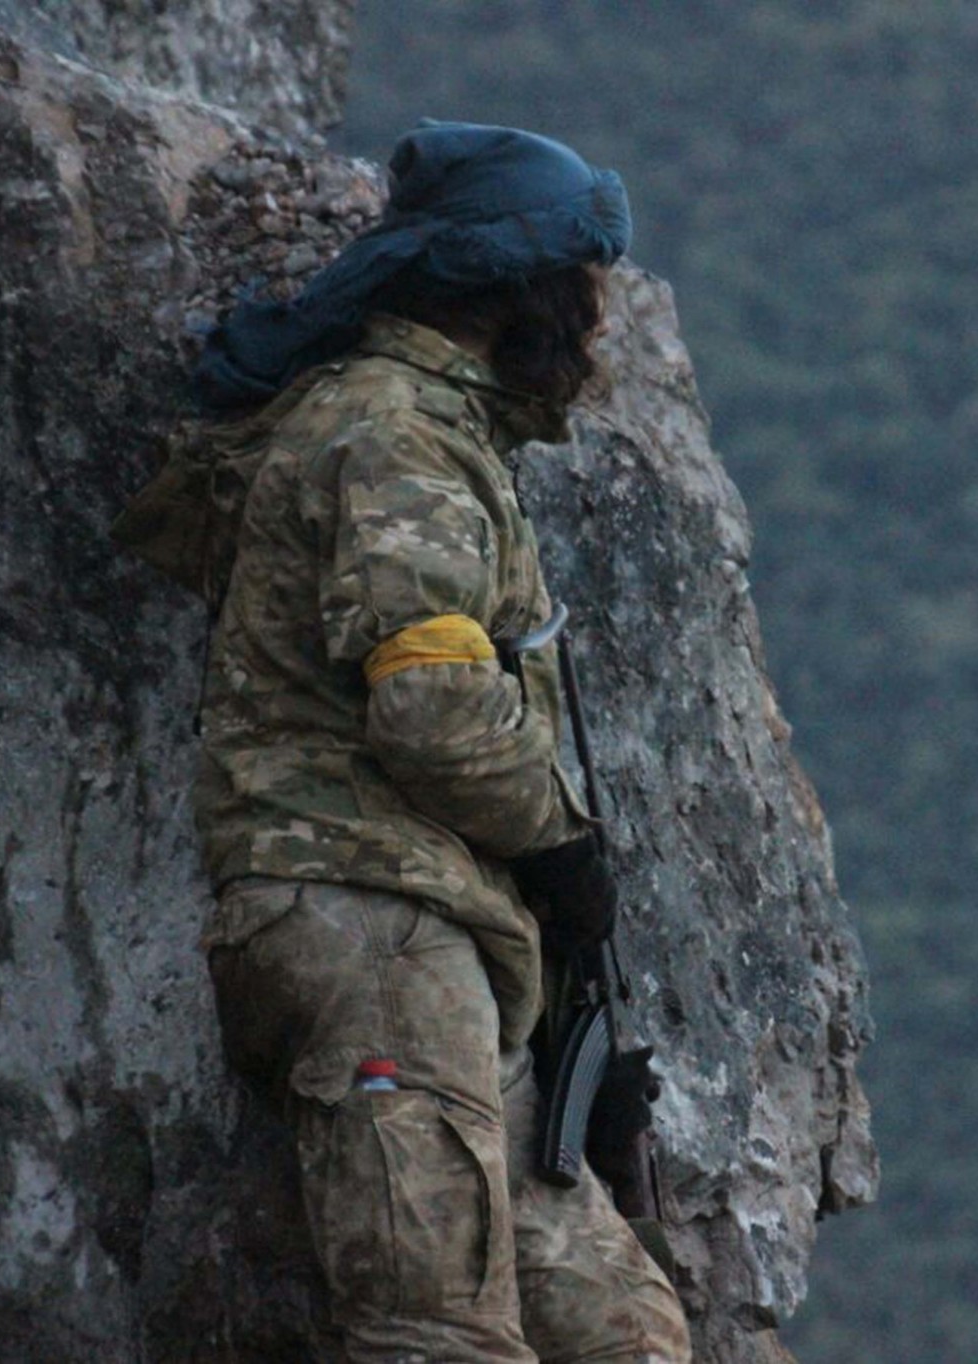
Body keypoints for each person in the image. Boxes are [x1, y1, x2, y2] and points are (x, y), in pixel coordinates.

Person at [185, 122, 692, 1363]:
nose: (595, 323)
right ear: (515, 290)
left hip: (439, 942)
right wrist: (562, 845)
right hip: (368, 918)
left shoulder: (441, 435)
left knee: (627, 1334)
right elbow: (432, 708)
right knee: (439, 1336)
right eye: (581, 287)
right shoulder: (395, 433)